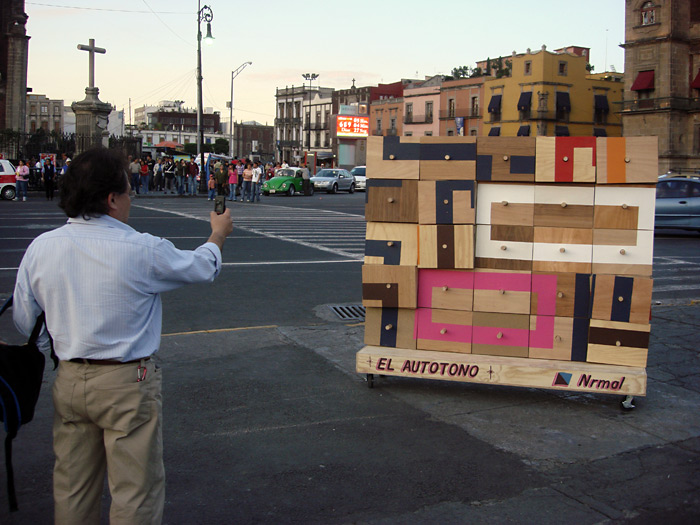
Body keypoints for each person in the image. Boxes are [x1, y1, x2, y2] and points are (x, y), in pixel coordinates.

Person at [12, 147, 233, 523]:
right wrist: (217, 234)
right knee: (135, 491)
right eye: (129, 192)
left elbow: (24, 319)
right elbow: (201, 267)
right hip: (126, 380)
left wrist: (61, 348)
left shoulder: (41, 248)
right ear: (112, 199)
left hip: (69, 377)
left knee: (72, 487)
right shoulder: (139, 247)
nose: (131, 200)